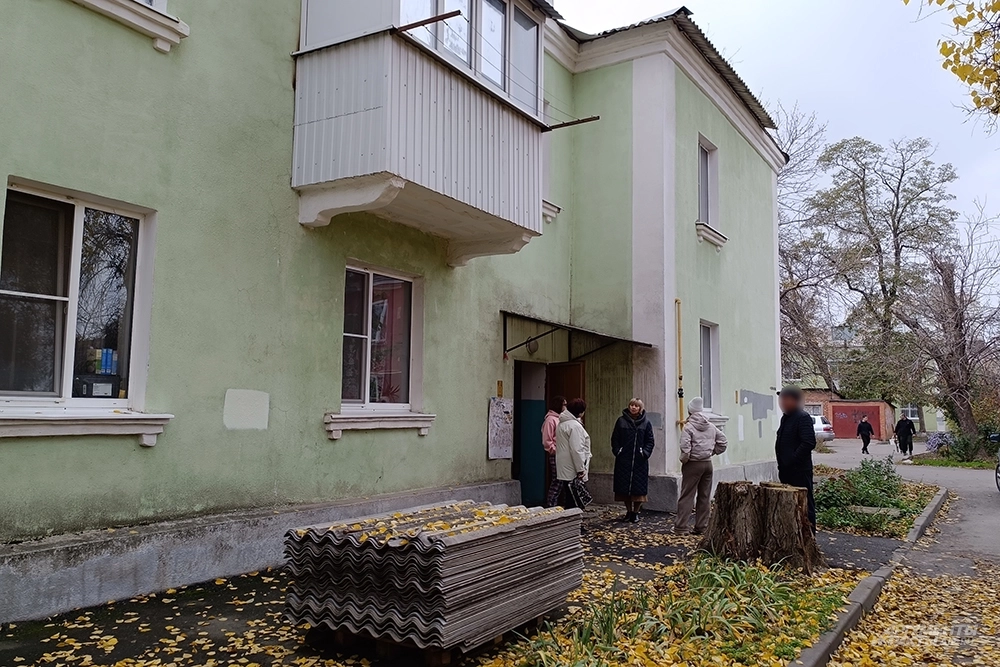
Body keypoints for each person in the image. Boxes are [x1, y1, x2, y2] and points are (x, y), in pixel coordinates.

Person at [674, 397, 727, 535]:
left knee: (687, 495)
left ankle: (681, 527)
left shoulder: (689, 427)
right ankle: (701, 527)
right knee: (704, 496)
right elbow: (723, 442)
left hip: (693, 464)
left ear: (690, 411)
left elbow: (685, 447)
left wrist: (684, 460)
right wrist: (711, 452)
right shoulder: (711, 426)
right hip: (707, 464)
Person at [775, 386, 817, 532]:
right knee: (790, 504)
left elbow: (809, 442)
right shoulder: (785, 418)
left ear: (795, 400)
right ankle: (793, 535)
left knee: (804, 504)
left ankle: (809, 536)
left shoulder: (802, 417)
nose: (782, 402)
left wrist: (792, 459)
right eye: (781, 399)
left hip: (799, 470)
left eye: (785, 399)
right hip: (786, 470)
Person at [611, 398, 656, 524]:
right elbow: (615, 438)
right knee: (624, 488)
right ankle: (628, 511)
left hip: (639, 461)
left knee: (638, 489)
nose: (633, 407)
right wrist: (618, 451)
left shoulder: (646, 423)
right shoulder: (621, 421)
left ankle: (635, 512)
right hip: (624, 460)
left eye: (636, 406)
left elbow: (650, 441)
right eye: (631, 405)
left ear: (640, 408)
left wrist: (644, 453)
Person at [555, 398, 592, 511]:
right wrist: (580, 469)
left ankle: (570, 518)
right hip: (572, 466)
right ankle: (574, 520)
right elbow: (577, 449)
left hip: (564, 464)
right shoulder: (575, 426)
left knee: (569, 495)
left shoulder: (562, 423)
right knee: (574, 499)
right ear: (580, 412)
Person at [541, 396, 566, 507]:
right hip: (556, 454)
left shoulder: (561, 418)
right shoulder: (550, 420)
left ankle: (559, 503)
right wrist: (554, 450)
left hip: (563, 453)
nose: (565, 407)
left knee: (562, 480)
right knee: (557, 480)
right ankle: (551, 503)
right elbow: (547, 440)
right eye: (564, 404)